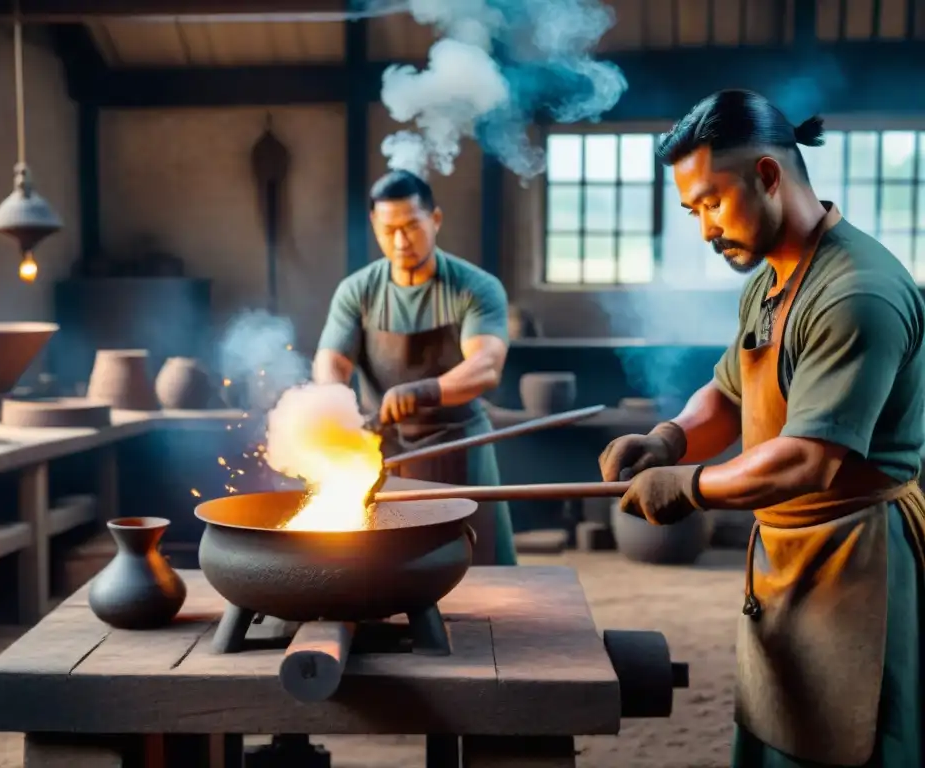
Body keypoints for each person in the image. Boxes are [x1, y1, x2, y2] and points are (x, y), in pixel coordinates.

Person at [598, 90, 925, 767]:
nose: (705, 230)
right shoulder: (772, 280)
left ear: (769, 176)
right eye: (694, 211)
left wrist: (686, 485)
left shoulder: (856, 293)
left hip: (858, 560)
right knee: (782, 730)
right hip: (788, 552)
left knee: (856, 740)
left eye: (713, 203)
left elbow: (808, 459)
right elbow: (729, 390)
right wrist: (669, 439)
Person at [313, 169, 517, 565]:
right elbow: (330, 362)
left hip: (459, 444)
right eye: (390, 230)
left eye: (412, 226)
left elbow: (486, 364)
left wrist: (423, 391)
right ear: (375, 224)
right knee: (384, 568)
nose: (401, 241)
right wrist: (336, 406)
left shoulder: (475, 286)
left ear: (435, 220)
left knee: (482, 569)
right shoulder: (358, 291)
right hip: (382, 449)